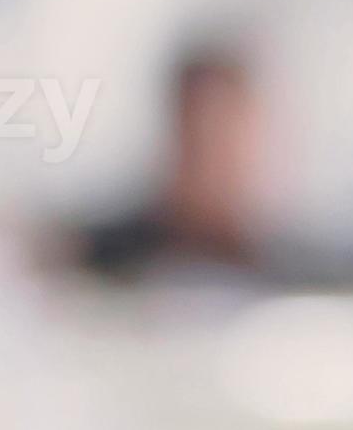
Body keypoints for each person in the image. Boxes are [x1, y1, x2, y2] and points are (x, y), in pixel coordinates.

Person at [76, 41, 266, 280]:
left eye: (222, 137)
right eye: (197, 136)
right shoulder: (103, 254)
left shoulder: (284, 269)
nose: (208, 164)